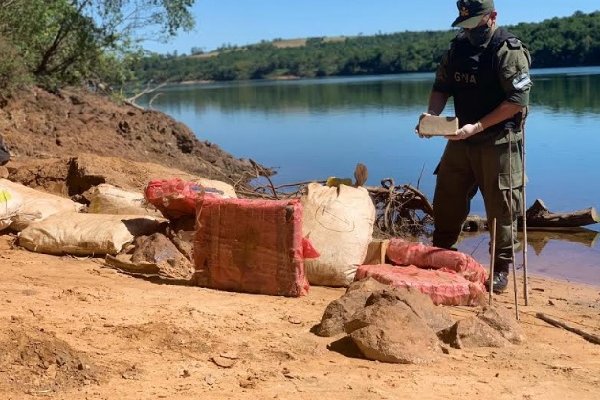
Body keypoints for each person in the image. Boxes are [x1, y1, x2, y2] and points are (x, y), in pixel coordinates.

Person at [417, 0, 532, 292]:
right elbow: (441, 87)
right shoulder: (457, 49)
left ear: (492, 17)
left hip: (499, 140)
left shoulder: (508, 51)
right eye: (465, 25)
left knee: (502, 207)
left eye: (475, 24)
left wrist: (478, 127)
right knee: (447, 197)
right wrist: (432, 117)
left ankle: (500, 268)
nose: (470, 31)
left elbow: (517, 102)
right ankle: (443, 255)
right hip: (460, 139)